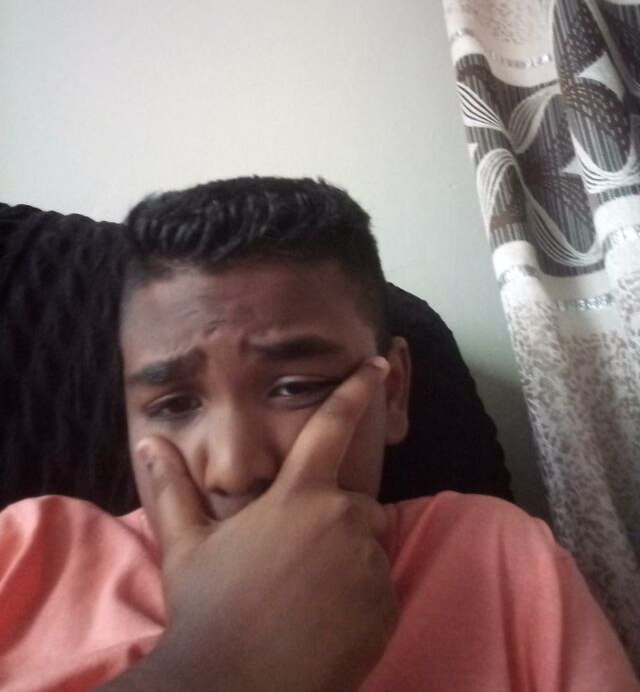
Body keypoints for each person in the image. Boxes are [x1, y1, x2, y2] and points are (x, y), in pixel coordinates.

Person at [0, 176, 637, 691]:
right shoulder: (25, 558)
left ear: (391, 392)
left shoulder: (493, 557)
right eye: (173, 403)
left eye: (295, 387)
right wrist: (210, 668)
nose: (234, 469)